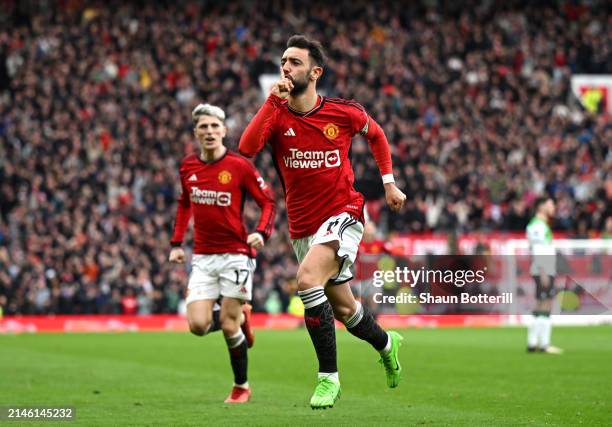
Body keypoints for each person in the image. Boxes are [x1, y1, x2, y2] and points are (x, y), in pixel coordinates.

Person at [239, 34, 407, 409]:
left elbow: (376, 135)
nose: (286, 67)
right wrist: (271, 100)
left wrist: (389, 183)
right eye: (283, 61)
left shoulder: (342, 112)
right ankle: (386, 343)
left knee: (307, 280)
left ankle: (328, 378)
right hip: (303, 227)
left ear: (315, 72)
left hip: (343, 213)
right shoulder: (277, 115)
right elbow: (246, 149)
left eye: (294, 62)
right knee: (346, 310)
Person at [169, 103, 276, 403]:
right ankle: (240, 315)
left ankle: (241, 386)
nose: (209, 132)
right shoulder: (188, 167)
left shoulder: (240, 166)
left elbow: (268, 202)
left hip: (236, 254)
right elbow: (184, 203)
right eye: (203, 127)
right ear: (196, 133)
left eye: (215, 126)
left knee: (227, 325)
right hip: (202, 257)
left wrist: (261, 231)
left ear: (225, 131)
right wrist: (177, 244)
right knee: (198, 326)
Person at [526, 196, 563, 354]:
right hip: (543, 269)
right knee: (546, 303)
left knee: (541, 303)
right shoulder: (537, 226)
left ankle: (533, 342)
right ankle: (544, 344)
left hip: (544, 268)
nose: (553, 207)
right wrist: (543, 271)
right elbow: (537, 250)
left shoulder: (539, 225)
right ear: (541, 207)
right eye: (551, 204)